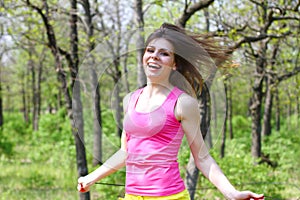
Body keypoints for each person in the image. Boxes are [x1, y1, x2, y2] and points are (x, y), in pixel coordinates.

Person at [77, 23, 264, 200]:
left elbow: (203, 158)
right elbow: (126, 152)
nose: (154, 56)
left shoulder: (183, 103)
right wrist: (91, 177)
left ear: (174, 64)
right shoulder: (130, 100)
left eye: (164, 53)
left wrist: (231, 193)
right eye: (150, 50)